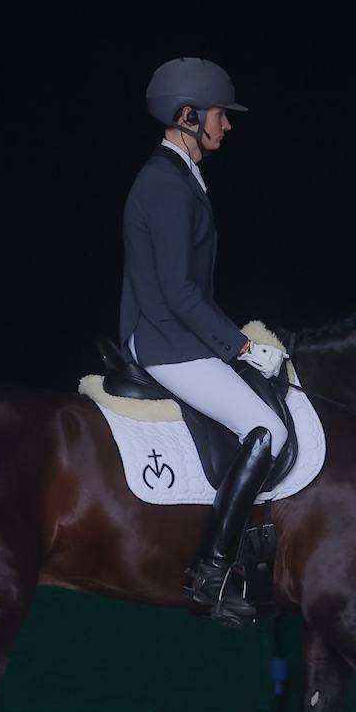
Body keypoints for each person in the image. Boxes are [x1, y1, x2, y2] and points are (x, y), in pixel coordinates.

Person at [119, 57, 289, 621]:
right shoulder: (165, 185)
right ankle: (210, 573)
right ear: (188, 115)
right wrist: (241, 347)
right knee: (266, 429)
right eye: (220, 115)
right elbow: (176, 292)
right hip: (167, 338)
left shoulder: (183, 178)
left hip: (179, 330)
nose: (227, 125)